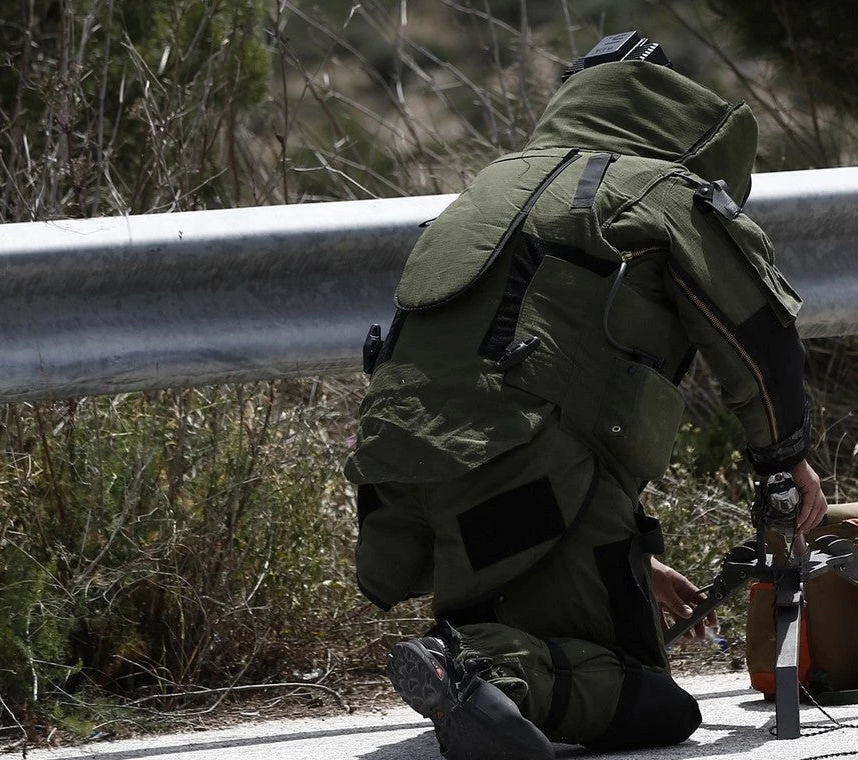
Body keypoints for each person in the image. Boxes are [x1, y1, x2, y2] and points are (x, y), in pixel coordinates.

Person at [344, 31, 828, 760]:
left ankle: (479, 660)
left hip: (404, 491)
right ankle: (484, 669)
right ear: (677, 113)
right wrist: (785, 459)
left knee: (552, 628)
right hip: (520, 482)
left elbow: (536, 379)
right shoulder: (663, 195)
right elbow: (757, 337)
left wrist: (633, 558)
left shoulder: (495, 185)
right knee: (653, 703)